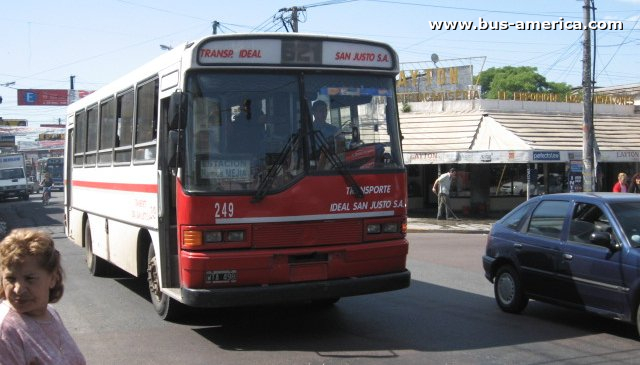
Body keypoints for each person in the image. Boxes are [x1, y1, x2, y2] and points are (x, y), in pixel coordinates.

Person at [0, 229, 86, 365]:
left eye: (29, 279)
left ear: (53, 278)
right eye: (10, 279)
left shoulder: (50, 313)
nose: (18, 289)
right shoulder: (6, 329)